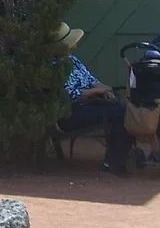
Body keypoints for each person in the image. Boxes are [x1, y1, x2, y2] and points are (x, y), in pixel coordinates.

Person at [53, 24, 133, 175]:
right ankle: (115, 162)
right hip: (71, 112)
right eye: (71, 43)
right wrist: (99, 91)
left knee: (121, 108)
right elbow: (72, 94)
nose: (75, 45)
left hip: (89, 104)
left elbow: (92, 80)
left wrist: (106, 91)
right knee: (120, 114)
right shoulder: (55, 66)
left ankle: (118, 157)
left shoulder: (73, 60)